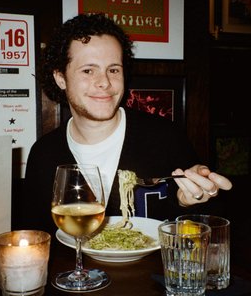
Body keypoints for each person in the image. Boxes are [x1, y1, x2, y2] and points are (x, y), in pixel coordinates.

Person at [18, 13, 232, 235]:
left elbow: (210, 221)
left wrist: (190, 201)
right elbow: (35, 239)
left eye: (113, 69)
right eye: (88, 70)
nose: (104, 82)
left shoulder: (165, 137)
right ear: (60, 78)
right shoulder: (44, 155)